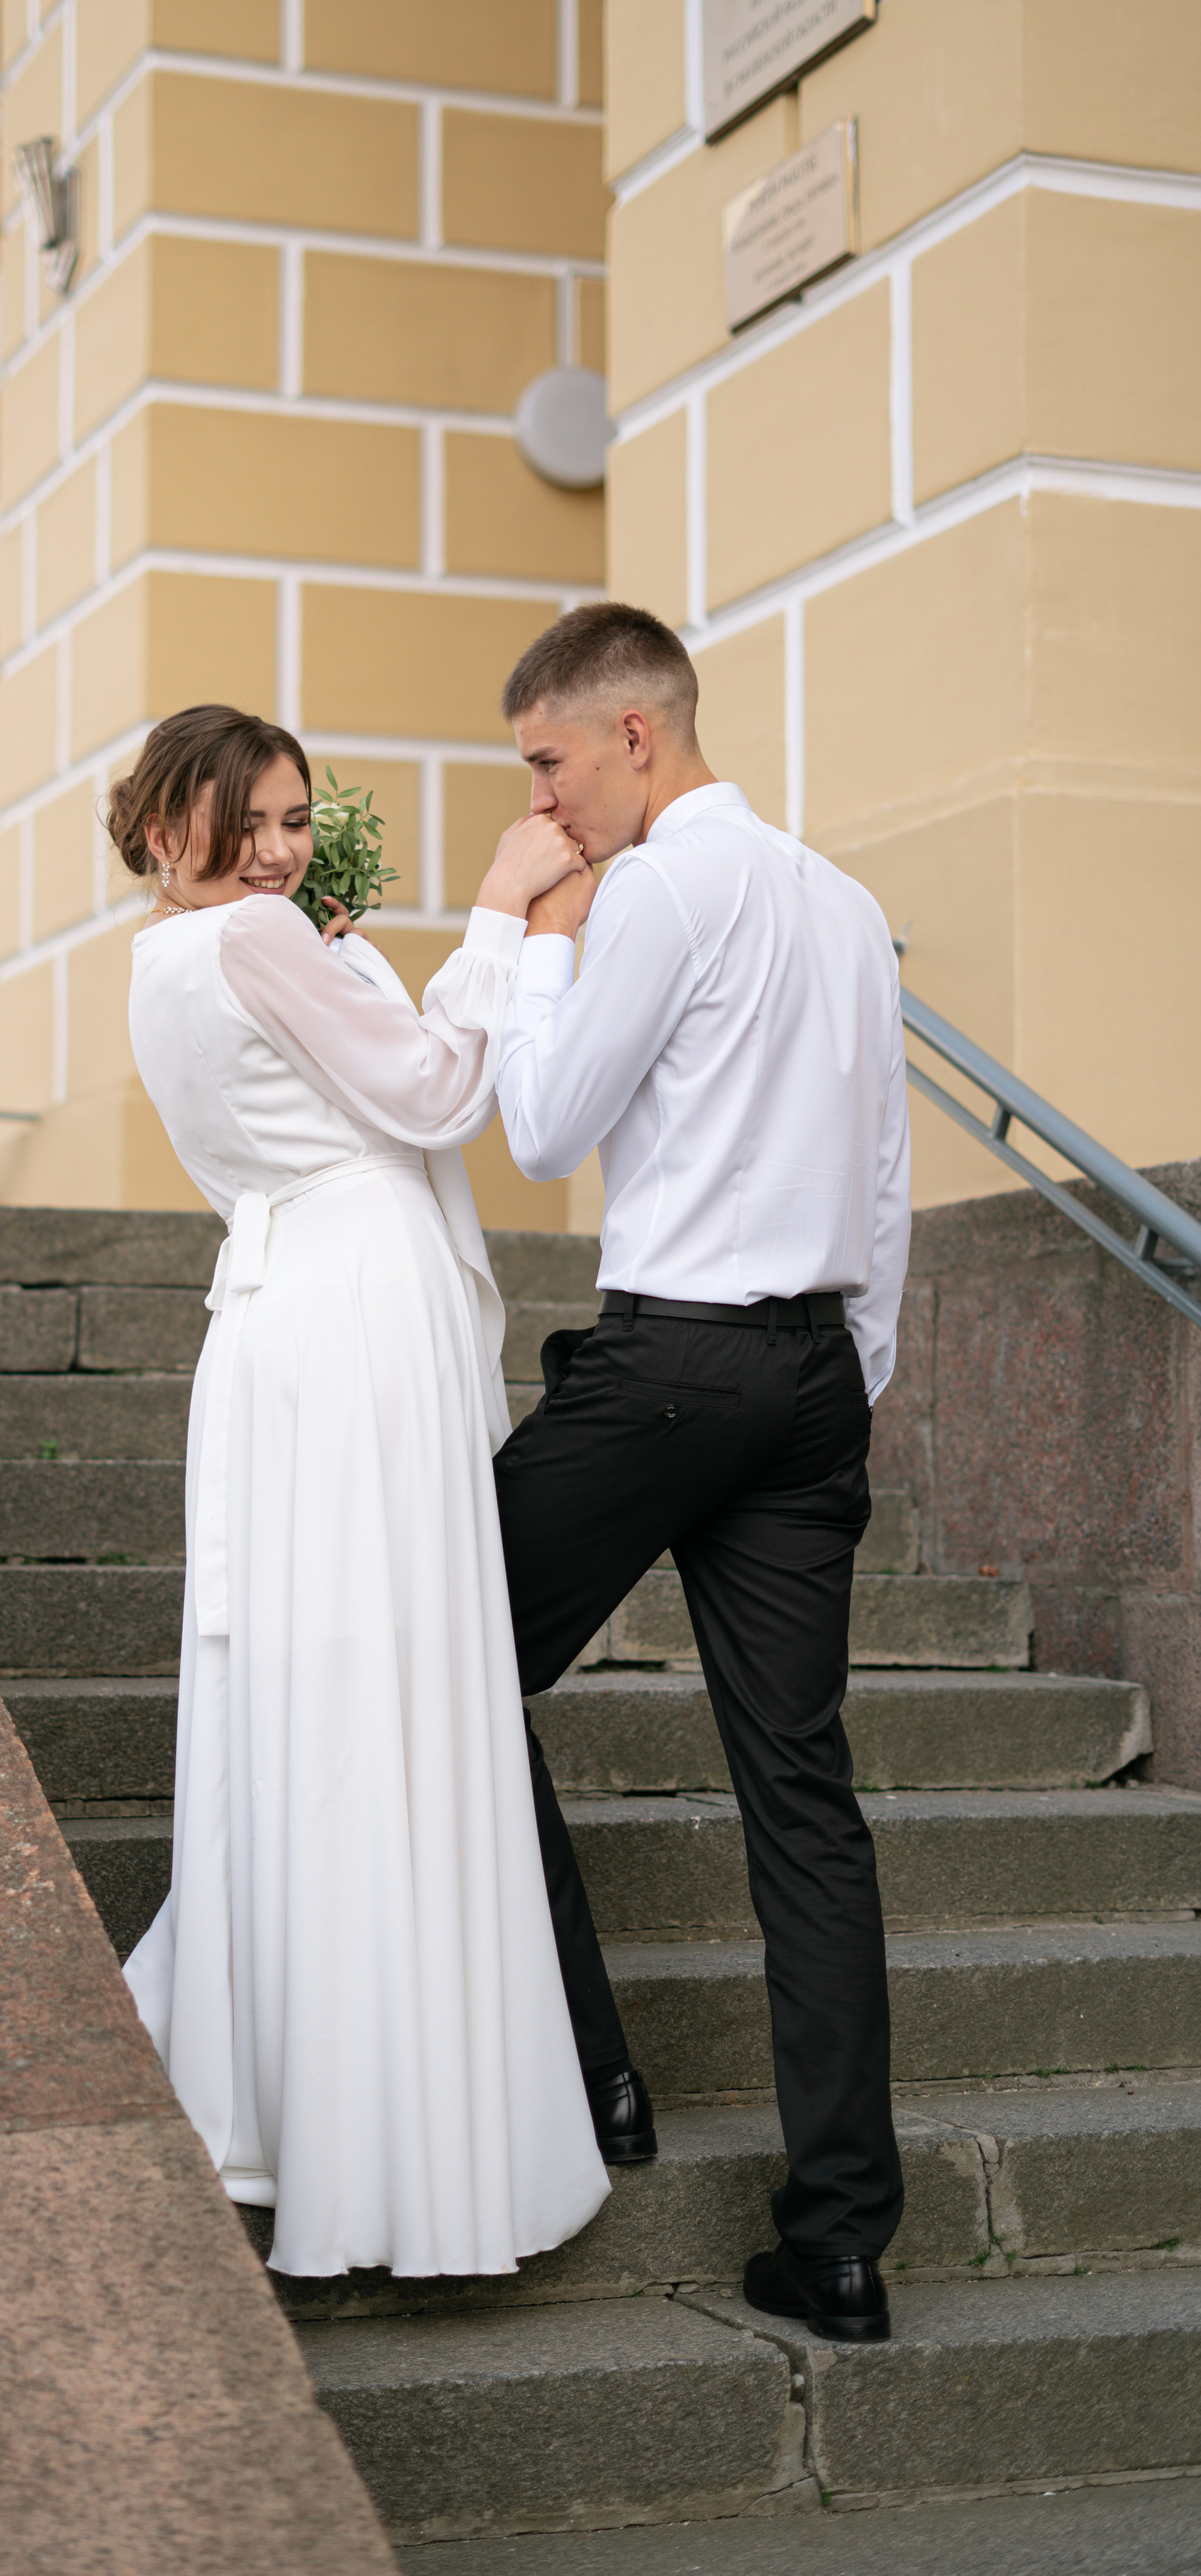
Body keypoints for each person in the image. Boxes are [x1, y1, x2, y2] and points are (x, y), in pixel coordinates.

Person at [114, 702, 609, 2281]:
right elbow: (428, 1093)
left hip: (279, 1322)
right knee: (387, 1680)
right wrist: (485, 917)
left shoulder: (158, 960)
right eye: (250, 818)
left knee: (317, 1686)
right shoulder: (253, 940)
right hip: (346, 1311)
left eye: (291, 820)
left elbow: (349, 1086)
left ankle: (295, 2107)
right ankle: (395, 2135)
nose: (276, 849)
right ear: (171, 818)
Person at [489, 603, 912, 2345]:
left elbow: (537, 1122)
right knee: (801, 1801)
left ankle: (592, 2075)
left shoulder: (661, 884)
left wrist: (522, 925)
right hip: (811, 1371)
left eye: (544, 761)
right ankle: (837, 2246)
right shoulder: (843, 902)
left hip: (677, 1359)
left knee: (430, 1637)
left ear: (633, 736)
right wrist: (843, 1384)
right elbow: (877, 1182)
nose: (539, 797)